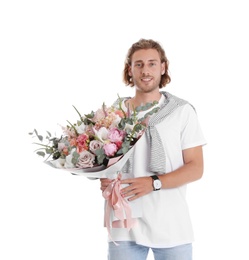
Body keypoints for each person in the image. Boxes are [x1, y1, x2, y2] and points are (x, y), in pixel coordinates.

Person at [100, 38, 206, 260]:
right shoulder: (114, 113)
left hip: (170, 224)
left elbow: (195, 168)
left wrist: (153, 183)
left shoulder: (182, 111)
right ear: (129, 69)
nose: (145, 70)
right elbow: (105, 160)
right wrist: (104, 178)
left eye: (152, 63)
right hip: (125, 223)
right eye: (138, 64)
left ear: (163, 67)